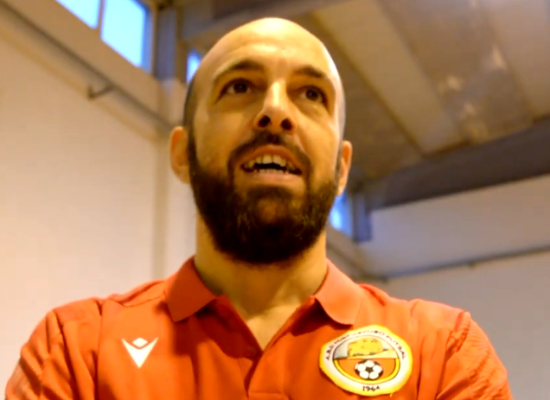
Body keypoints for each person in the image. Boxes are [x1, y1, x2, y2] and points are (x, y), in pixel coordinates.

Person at [6, 17, 512, 400]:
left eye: (310, 93)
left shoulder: (443, 354)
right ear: (183, 153)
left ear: (342, 168)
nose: (275, 110)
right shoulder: (78, 351)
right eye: (240, 87)